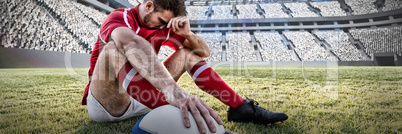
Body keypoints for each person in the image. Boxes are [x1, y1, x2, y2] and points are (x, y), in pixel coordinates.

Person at [82, 0, 288, 133]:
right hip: (108, 104)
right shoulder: (119, 18)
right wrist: (172, 89)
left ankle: (240, 107)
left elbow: (204, 52)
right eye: (161, 20)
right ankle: (189, 118)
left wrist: (187, 34)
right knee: (113, 49)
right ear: (149, 5)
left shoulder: (162, 25)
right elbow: (131, 43)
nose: (163, 27)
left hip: (141, 96)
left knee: (186, 53)